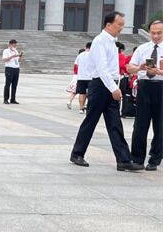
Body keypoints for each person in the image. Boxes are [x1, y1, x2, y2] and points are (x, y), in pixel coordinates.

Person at [70, 11, 143, 171]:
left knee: (115, 123)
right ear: (108, 25)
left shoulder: (112, 42)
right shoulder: (100, 41)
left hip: (110, 85)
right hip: (101, 86)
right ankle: (77, 153)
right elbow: (102, 69)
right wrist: (114, 88)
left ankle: (123, 159)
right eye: (119, 25)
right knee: (91, 120)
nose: (121, 28)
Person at [128, 18, 163, 171]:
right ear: (149, 32)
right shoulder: (142, 48)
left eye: (159, 33)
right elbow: (129, 67)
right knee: (140, 124)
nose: (156, 36)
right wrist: (139, 68)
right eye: (153, 33)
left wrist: (159, 72)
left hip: (161, 86)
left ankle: (155, 159)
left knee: (160, 125)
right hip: (145, 87)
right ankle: (137, 158)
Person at [2, 39, 22, 104]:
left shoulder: (16, 51)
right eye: (14, 45)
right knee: (8, 84)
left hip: (16, 68)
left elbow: (18, 60)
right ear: (10, 44)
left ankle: (13, 99)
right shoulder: (6, 51)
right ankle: (5, 99)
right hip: (9, 68)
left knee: (14, 84)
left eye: (16, 45)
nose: (15, 46)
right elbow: (4, 59)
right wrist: (12, 56)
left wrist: (20, 57)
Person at [74, 42, 92, 113]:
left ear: (85, 47)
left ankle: (81, 108)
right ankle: (89, 107)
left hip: (81, 77)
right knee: (91, 93)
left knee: (82, 93)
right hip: (91, 77)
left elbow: (76, 65)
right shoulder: (93, 55)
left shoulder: (80, 55)